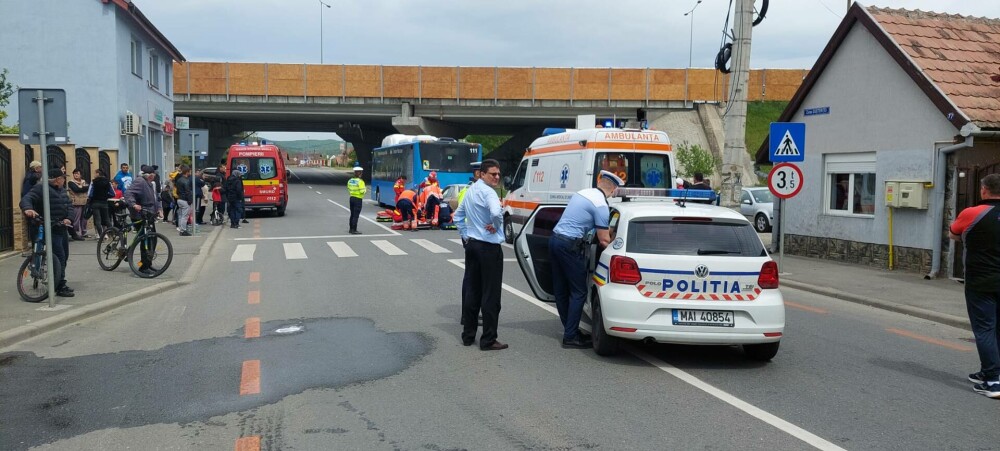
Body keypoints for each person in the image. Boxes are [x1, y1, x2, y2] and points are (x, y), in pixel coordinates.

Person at [549, 170, 622, 349]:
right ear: (613, 189)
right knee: (579, 291)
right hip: (569, 247)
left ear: (600, 182)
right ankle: (571, 336)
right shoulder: (601, 206)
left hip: (554, 240)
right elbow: (604, 240)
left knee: (561, 290)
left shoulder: (583, 193)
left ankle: (570, 330)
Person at [950, 174, 1000, 399]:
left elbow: (954, 234)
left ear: (984, 190)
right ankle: (987, 372)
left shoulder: (971, 213)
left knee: (984, 329)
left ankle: (993, 380)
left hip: (980, 281)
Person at [454, 159, 507, 351]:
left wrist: (465, 236)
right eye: (493, 174)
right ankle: (488, 339)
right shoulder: (488, 192)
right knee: (491, 295)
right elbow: (496, 212)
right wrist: (497, 225)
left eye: (498, 174)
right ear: (482, 174)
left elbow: (457, 216)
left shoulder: (471, 191)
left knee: (472, 291)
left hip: (473, 246)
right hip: (488, 247)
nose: (496, 177)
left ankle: (468, 336)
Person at [19, 169, 75, 297]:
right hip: (48, 227)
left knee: (64, 256)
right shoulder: (40, 188)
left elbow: (69, 206)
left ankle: (57, 279)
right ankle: (60, 285)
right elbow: (26, 199)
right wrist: (28, 209)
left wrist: (69, 218)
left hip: (61, 227)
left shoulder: (62, 191)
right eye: (63, 178)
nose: (64, 180)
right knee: (59, 256)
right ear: (56, 179)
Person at [123, 166, 163, 275]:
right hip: (139, 215)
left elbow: (155, 198)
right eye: (153, 174)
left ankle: (147, 263)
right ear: (149, 175)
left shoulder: (150, 183)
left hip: (149, 215)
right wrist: (134, 204)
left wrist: (159, 209)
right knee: (146, 240)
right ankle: (143, 267)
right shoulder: (140, 181)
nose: (154, 176)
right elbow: (128, 193)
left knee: (153, 239)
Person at [88, 168, 115, 237]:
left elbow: (90, 194)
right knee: (107, 219)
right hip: (104, 203)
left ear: (98, 174)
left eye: (95, 173)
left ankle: (101, 236)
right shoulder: (108, 182)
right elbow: (113, 193)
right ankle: (112, 234)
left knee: (97, 220)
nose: (94, 175)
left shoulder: (93, 182)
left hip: (95, 203)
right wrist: (106, 196)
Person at [67, 168, 89, 240]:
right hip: (76, 203)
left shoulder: (84, 181)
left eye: (77, 173)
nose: (76, 175)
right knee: (76, 218)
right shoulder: (71, 182)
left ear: (81, 175)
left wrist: (82, 188)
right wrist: (83, 188)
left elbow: (88, 188)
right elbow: (76, 190)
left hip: (84, 202)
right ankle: (75, 233)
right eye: (74, 173)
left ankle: (83, 232)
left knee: (84, 219)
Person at [174, 165, 193, 236]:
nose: (190, 173)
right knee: (185, 216)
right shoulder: (186, 181)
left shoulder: (179, 180)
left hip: (179, 199)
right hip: (185, 199)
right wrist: (190, 200)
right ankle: (183, 230)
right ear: (187, 172)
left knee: (181, 215)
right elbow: (187, 191)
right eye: (189, 171)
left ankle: (181, 228)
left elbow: (178, 190)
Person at [347, 165, 367, 234]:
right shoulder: (360, 181)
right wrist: (364, 190)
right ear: (359, 173)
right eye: (361, 172)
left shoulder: (350, 180)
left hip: (351, 198)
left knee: (352, 214)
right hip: (358, 199)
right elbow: (362, 191)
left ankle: (350, 229)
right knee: (356, 215)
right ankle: (354, 230)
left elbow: (348, 188)